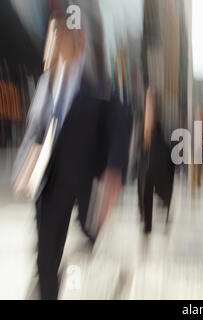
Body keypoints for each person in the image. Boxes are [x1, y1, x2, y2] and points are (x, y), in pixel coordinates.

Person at [12, 15, 131, 300]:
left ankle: (110, 279)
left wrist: (113, 172)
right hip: (49, 185)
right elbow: (34, 132)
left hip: (84, 187)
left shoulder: (97, 83)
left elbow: (119, 123)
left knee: (89, 248)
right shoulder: (44, 84)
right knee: (45, 259)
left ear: (76, 43)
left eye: (58, 36)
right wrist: (22, 171)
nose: (51, 43)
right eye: (51, 37)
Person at [138, 88, 175, 234]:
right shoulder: (142, 118)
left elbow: (170, 142)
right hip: (146, 161)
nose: (149, 105)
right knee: (144, 190)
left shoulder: (163, 122)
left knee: (162, 189)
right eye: (148, 101)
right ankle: (147, 224)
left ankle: (164, 207)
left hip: (160, 161)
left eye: (151, 101)